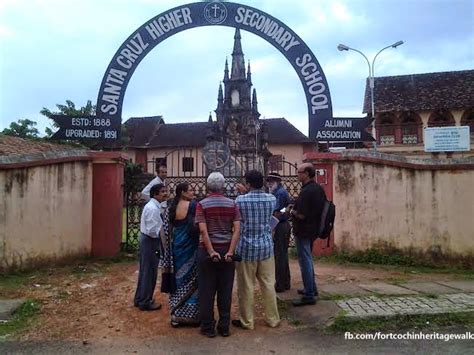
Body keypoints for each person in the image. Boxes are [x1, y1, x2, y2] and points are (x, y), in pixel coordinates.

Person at [195, 172, 241, 338]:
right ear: (222, 186)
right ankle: (224, 327)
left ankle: (208, 327)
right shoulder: (232, 204)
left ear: (208, 186)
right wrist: (230, 251)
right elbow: (237, 229)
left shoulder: (202, 204)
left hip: (207, 252)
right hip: (227, 251)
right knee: (225, 290)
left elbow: (203, 230)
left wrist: (210, 251)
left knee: (207, 290)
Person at [233, 170, 280, 330]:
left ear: (248, 184)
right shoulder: (271, 199)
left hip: (246, 249)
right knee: (268, 284)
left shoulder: (240, 200)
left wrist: (244, 193)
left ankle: (247, 321)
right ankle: (273, 319)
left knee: (246, 286)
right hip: (266, 248)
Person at [161, 182, 200, 327]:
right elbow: (199, 225)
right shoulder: (194, 206)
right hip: (191, 248)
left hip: (176, 248)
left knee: (178, 279)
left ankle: (176, 315)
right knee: (193, 280)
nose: (192, 193)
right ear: (183, 192)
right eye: (190, 190)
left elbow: (166, 230)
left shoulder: (171, 207)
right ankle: (193, 316)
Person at [289, 163, 326, 307]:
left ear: (307, 173)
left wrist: (291, 211)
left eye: (299, 172)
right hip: (313, 230)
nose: (297, 174)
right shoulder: (317, 188)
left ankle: (309, 295)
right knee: (307, 259)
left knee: (305, 261)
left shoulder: (307, 191)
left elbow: (302, 215)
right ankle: (311, 289)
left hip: (304, 230)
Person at [134, 183, 168, 311]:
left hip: (147, 241)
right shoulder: (153, 209)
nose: (165, 193)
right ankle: (145, 301)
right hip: (150, 242)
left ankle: (140, 298)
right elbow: (153, 231)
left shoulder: (153, 206)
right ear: (155, 194)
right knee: (149, 272)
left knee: (145, 271)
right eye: (163, 191)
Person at [266, 172, 291, 293]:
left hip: (280, 226)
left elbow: (277, 212)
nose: (269, 184)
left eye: (271, 181)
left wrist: (271, 229)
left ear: (277, 181)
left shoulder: (279, 194)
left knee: (280, 256)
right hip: (282, 225)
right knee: (283, 255)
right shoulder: (278, 192)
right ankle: (285, 282)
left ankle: (280, 284)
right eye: (268, 181)